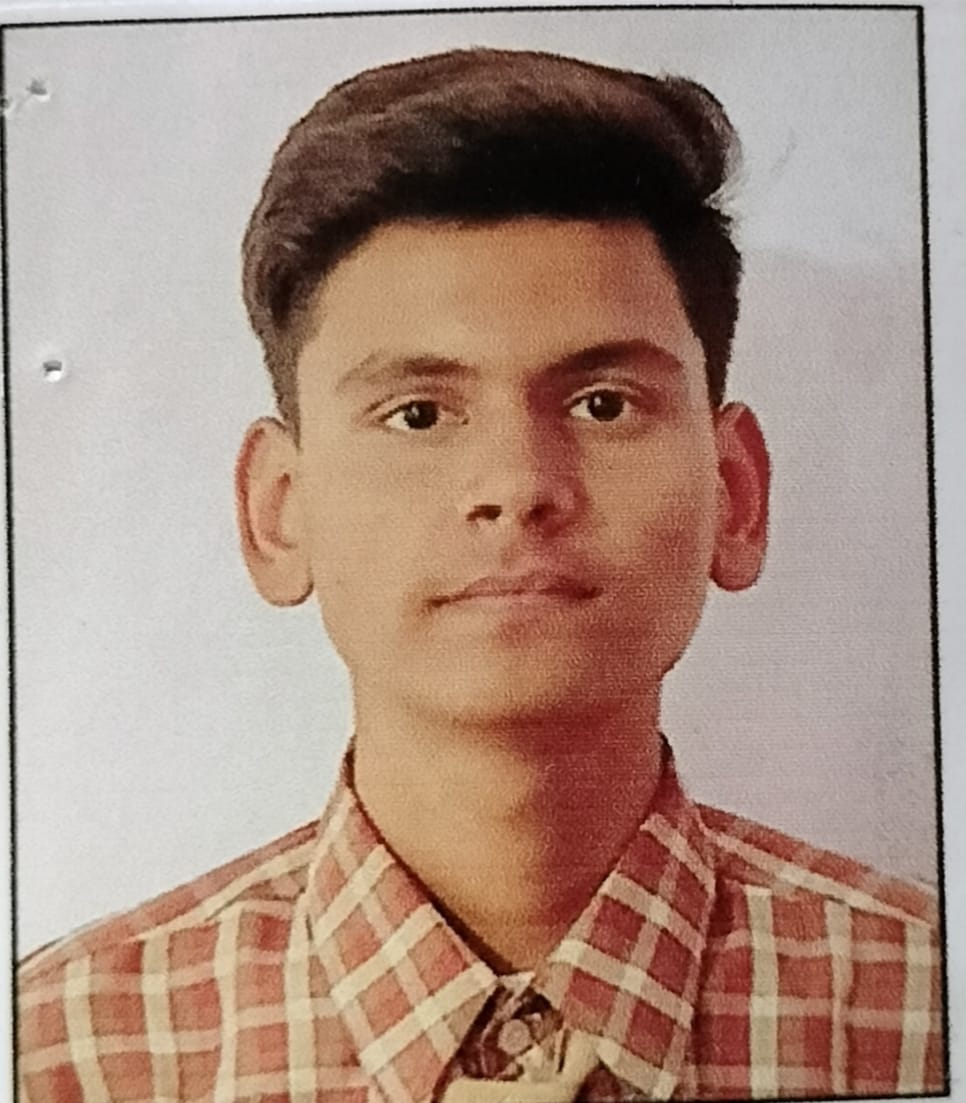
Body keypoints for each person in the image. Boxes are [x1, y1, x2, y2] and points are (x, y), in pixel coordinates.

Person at [17, 47, 943, 1103]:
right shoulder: (59, 1054)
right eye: (418, 414)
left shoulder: (925, 1004)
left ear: (736, 493)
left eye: (603, 403)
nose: (518, 485)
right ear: (279, 511)